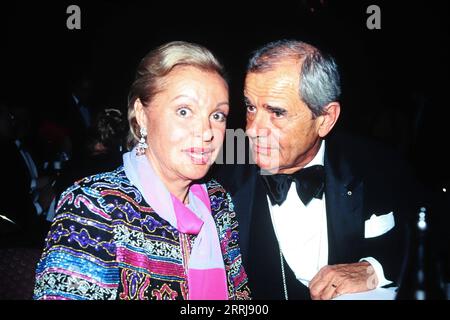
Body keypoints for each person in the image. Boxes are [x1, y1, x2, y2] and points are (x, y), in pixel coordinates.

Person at [33, 41, 250, 300]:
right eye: (184, 111)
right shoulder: (94, 205)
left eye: (217, 115)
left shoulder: (218, 201)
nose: (206, 132)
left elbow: (240, 296)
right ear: (142, 115)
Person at [216, 39, 426, 300]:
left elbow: (432, 238)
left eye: (277, 113)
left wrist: (375, 268)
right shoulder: (220, 171)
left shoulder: (377, 164)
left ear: (325, 119)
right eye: (250, 107)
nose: (251, 130)